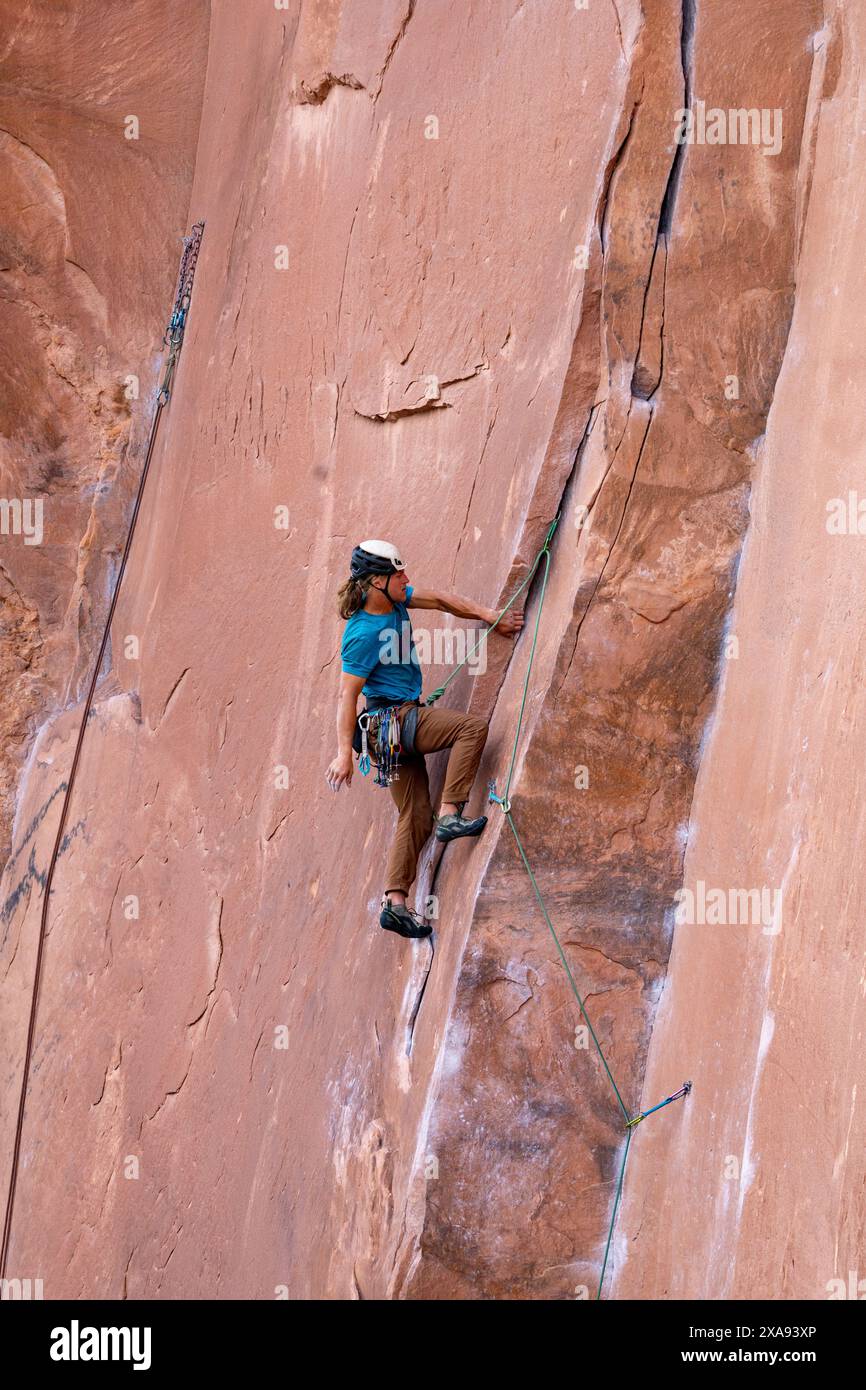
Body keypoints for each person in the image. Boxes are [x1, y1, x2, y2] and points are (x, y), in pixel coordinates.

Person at [326, 539, 523, 939]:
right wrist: (343, 753)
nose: (406, 578)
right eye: (398, 574)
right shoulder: (362, 633)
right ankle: (450, 814)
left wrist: (490, 615)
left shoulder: (396, 601)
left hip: (391, 731)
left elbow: (441, 600)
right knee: (470, 729)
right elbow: (347, 696)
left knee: (415, 815)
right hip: (391, 722)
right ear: (376, 581)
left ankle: (395, 903)